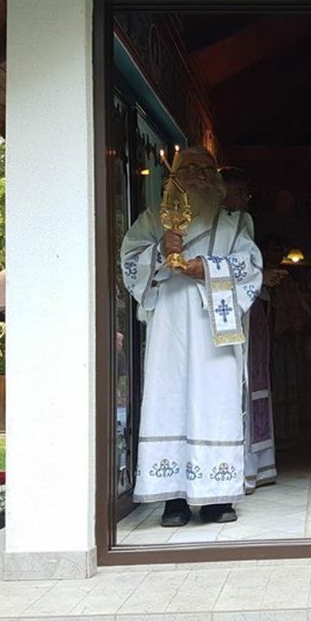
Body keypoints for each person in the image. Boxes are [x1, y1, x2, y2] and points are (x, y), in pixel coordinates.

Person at [121, 147, 262, 526]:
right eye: (191, 168)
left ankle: (217, 498)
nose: (199, 174)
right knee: (171, 400)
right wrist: (158, 250)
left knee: (216, 403)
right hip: (170, 326)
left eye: (206, 168)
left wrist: (210, 268)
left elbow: (251, 267)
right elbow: (130, 262)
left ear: (217, 178)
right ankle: (174, 499)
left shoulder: (236, 223)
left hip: (216, 325)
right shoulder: (153, 220)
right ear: (175, 177)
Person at [219, 165, 281, 492]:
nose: (245, 198)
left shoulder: (242, 221)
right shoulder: (207, 226)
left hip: (249, 313)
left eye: (247, 192)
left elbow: (245, 267)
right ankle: (239, 468)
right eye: (240, 191)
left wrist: (261, 279)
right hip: (227, 317)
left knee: (254, 381)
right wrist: (260, 278)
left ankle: (255, 465)